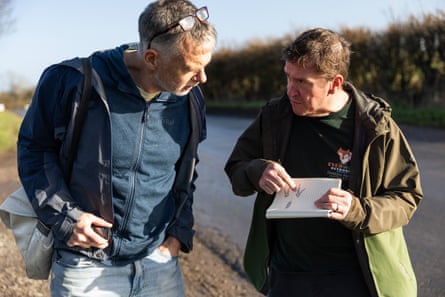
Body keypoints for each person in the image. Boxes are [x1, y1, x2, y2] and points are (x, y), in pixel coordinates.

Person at [17, 0, 217, 296]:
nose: (202, 79)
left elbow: (187, 172)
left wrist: (178, 233)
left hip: (158, 261)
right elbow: (35, 150)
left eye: (205, 66)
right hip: (85, 262)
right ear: (151, 58)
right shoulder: (71, 81)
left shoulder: (190, 99)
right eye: (191, 69)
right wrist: (67, 218)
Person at [224, 28, 423, 297]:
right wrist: (257, 171)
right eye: (288, 78)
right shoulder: (274, 116)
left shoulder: (375, 127)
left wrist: (357, 209)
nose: (290, 91)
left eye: (303, 82)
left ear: (335, 83)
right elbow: (237, 167)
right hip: (288, 277)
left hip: (355, 278)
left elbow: (406, 197)